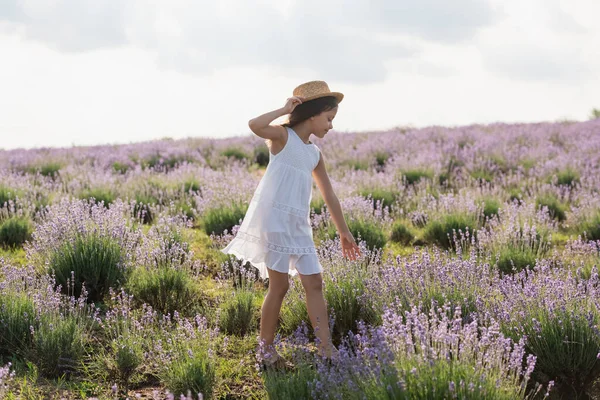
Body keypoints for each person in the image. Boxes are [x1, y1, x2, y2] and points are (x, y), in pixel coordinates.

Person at [220, 80, 361, 370]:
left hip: (299, 224)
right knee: (280, 285)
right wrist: (284, 109)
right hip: (275, 220)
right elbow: (255, 124)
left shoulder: (314, 154)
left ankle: (326, 348)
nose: (331, 126)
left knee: (315, 281)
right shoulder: (282, 138)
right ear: (313, 113)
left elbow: (329, 193)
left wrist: (343, 232)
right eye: (329, 119)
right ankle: (266, 351)